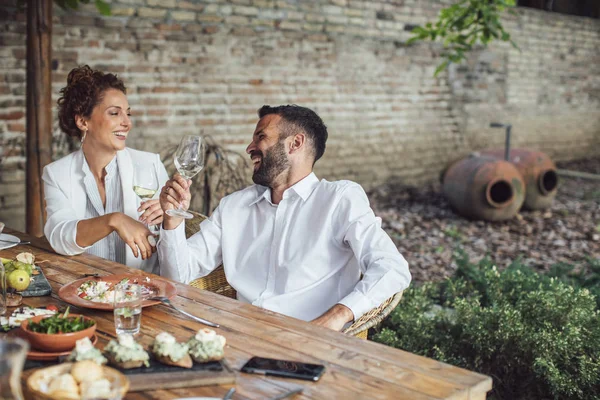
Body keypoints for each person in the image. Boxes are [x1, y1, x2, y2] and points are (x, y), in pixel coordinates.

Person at [158, 105, 411, 330]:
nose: (249, 148)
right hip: (238, 333)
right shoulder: (234, 206)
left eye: (261, 137)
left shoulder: (339, 200)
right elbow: (178, 275)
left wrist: (338, 315)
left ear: (295, 143)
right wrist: (172, 219)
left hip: (309, 342)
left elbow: (392, 268)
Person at [43, 65, 168, 274]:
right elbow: (59, 238)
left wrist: (169, 218)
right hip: (84, 290)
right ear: (83, 121)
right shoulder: (56, 174)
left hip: (142, 291)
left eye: (127, 114)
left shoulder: (150, 165)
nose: (127, 123)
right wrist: (114, 220)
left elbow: (172, 244)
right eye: (114, 113)